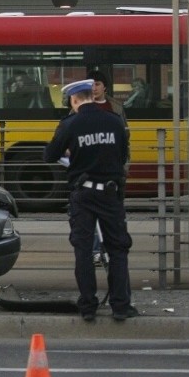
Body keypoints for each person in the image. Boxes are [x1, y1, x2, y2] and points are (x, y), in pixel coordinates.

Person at [43, 79, 137, 322]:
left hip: (83, 194)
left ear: (74, 100)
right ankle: (120, 306)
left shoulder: (70, 124)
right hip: (111, 193)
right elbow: (122, 153)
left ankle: (88, 307)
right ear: (91, 96)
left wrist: (71, 151)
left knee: (84, 250)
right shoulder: (114, 121)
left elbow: (49, 155)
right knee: (117, 248)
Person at [87, 70, 130, 264]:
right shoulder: (81, 105)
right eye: (91, 84)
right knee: (92, 212)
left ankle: (111, 248)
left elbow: (125, 139)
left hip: (112, 168)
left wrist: (125, 165)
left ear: (105, 86)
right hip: (90, 168)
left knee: (113, 212)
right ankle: (97, 250)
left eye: (97, 84)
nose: (94, 88)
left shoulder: (116, 108)